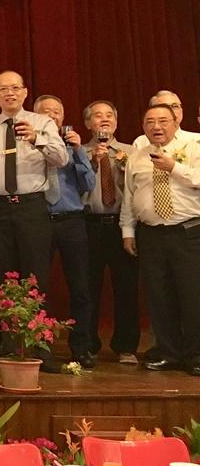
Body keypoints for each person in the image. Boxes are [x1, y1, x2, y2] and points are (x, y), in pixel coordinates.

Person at [0, 71, 67, 371]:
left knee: (35, 276)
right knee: (4, 277)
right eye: (3, 89)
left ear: (26, 92)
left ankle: (40, 346)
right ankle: (9, 345)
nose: (10, 93)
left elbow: (61, 159)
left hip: (31, 206)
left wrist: (37, 138)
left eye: (15, 88)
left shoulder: (41, 123)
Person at [120, 103, 200, 375]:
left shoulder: (195, 145)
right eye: (150, 122)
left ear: (176, 121)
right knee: (158, 295)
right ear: (143, 127)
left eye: (163, 121)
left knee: (192, 294)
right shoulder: (138, 155)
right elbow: (130, 197)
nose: (156, 127)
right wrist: (128, 232)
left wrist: (174, 167)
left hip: (188, 232)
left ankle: (196, 354)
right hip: (151, 234)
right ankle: (167, 351)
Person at [34, 95, 97, 368]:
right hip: (39, 220)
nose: (52, 116)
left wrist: (80, 151)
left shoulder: (72, 146)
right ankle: (40, 346)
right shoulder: (30, 143)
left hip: (72, 220)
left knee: (80, 286)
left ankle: (81, 347)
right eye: (45, 112)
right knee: (38, 287)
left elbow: (90, 183)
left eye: (56, 112)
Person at [81, 100, 140, 365]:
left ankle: (126, 346)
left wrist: (126, 168)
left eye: (109, 116)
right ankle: (88, 345)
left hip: (122, 225)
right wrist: (92, 164)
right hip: (88, 225)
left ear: (116, 122)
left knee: (126, 287)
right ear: (87, 124)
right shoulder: (78, 152)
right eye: (97, 116)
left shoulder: (132, 151)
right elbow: (75, 191)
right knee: (88, 287)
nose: (104, 120)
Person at [132, 91, 200, 148]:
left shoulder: (197, 139)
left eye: (175, 106)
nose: (171, 111)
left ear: (181, 110)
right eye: (164, 107)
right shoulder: (141, 142)